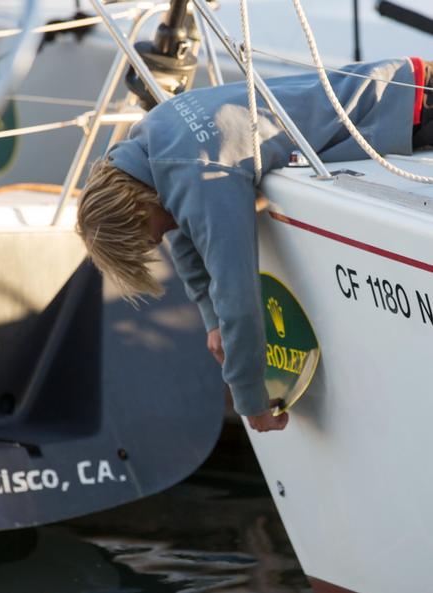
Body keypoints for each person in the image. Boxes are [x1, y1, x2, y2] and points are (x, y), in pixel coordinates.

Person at [77, 57, 433, 432]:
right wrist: (213, 322)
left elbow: (238, 294)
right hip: (400, 83)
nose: (159, 238)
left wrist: (250, 399)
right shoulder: (155, 139)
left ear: (135, 207)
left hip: (412, 105)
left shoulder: (200, 172)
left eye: (149, 236)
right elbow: (184, 231)